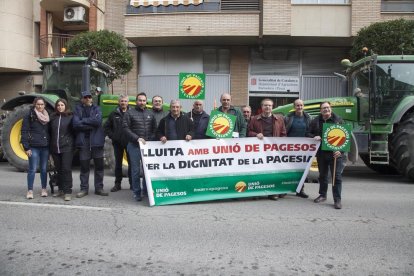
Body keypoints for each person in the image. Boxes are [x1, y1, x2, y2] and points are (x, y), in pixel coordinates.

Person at [308, 101, 344, 209]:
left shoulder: (338, 120)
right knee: (322, 175)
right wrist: (314, 136)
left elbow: (345, 137)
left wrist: (340, 151)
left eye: (328, 107)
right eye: (324, 108)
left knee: (336, 177)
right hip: (321, 153)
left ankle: (337, 200)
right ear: (320, 110)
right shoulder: (315, 121)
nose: (326, 110)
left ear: (331, 108)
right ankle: (322, 195)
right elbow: (308, 133)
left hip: (335, 153)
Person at [248, 98, 286, 200]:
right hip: (258, 151)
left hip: (273, 151)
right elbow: (249, 133)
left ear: (272, 107)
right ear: (262, 107)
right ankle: (256, 192)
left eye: (269, 105)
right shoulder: (254, 119)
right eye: (265, 105)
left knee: (273, 172)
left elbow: (283, 134)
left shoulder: (279, 119)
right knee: (258, 171)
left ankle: (273, 192)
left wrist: (279, 145)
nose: (267, 107)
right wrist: (256, 134)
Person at [73, 90, 108, 198]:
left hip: (96, 142)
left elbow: (97, 122)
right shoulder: (78, 109)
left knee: (99, 167)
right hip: (84, 142)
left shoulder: (97, 108)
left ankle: (99, 188)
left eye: (89, 97)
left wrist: (83, 121)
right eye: (85, 97)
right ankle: (84, 189)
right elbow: (75, 124)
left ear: (92, 99)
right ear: (82, 99)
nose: (88, 99)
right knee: (84, 167)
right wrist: (90, 123)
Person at [123, 92, 157, 202]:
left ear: (146, 102)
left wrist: (149, 140)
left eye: (143, 100)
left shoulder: (150, 113)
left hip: (147, 147)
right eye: (140, 100)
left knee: (147, 170)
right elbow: (125, 128)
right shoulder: (129, 113)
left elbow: (154, 130)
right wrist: (137, 138)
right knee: (136, 171)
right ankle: (137, 192)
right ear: (136, 101)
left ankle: (146, 192)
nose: (142, 102)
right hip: (134, 146)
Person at [21, 97, 50, 199]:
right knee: (32, 169)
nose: (40, 106)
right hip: (33, 147)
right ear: (35, 104)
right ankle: (30, 190)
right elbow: (24, 131)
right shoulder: (29, 116)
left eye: (42, 104)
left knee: (43, 169)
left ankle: (43, 189)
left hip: (45, 147)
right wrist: (26, 147)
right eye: (38, 104)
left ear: (44, 105)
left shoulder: (47, 116)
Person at [284, 98, 311, 198]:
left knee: (302, 169)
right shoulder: (288, 118)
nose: (299, 107)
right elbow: (284, 131)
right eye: (297, 105)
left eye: (301, 105)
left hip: (304, 149)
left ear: (303, 106)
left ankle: (300, 190)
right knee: (288, 169)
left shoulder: (308, 118)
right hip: (290, 149)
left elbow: (311, 132)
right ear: (294, 107)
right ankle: (285, 188)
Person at [104, 94, 132, 192]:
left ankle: (132, 184)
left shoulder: (132, 113)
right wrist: (114, 136)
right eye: (122, 101)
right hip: (117, 143)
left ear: (128, 102)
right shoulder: (113, 114)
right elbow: (106, 127)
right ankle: (117, 184)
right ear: (118, 102)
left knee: (131, 164)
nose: (123, 103)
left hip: (130, 143)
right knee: (118, 164)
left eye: (125, 101)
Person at [49, 98, 74, 201]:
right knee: (58, 169)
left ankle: (67, 191)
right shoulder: (53, 117)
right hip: (55, 148)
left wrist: (72, 144)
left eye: (62, 105)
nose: (60, 107)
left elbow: (74, 132)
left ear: (65, 106)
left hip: (67, 147)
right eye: (58, 105)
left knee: (66, 169)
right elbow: (50, 132)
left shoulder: (70, 117)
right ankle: (60, 189)